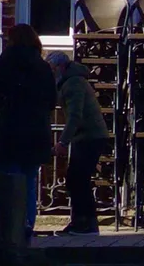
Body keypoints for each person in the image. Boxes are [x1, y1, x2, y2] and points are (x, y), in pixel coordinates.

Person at [0, 23, 57, 246]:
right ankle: (26, 226)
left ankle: (8, 227)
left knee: (8, 179)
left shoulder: (3, 63)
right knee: (29, 182)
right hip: (36, 132)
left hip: (9, 129)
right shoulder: (43, 67)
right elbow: (52, 101)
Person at [47, 51, 113, 236]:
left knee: (77, 180)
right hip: (87, 136)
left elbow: (75, 116)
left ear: (60, 67)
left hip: (89, 136)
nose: (50, 73)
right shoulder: (71, 81)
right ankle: (84, 222)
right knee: (77, 180)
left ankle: (85, 224)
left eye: (52, 69)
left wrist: (63, 142)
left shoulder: (73, 83)